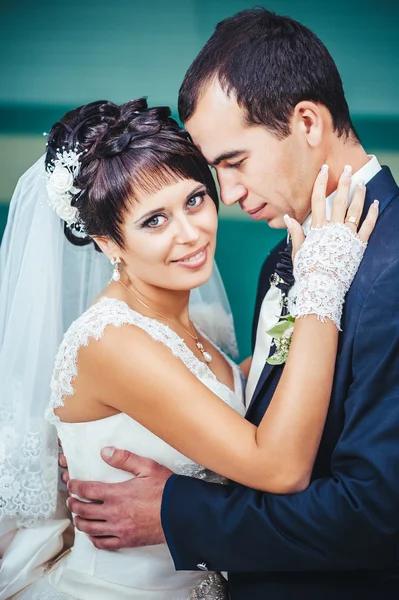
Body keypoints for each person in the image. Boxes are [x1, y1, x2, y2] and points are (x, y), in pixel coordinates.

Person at [66, 8, 399, 600]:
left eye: (234, 162)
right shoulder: (285, 260)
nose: (230, 196)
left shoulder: (391, 266)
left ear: (306, 121)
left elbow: (375, 511)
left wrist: (178, 509)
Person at [0, 93, 374, 599]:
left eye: (194, 199)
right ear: (108, 242)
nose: (191, 233)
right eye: (154, 220)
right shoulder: (112, 340)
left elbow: (253, 392)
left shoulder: (199, 321)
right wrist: (323, 279)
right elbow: (280, 468)